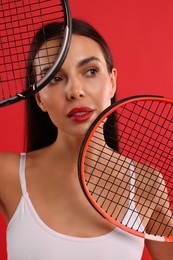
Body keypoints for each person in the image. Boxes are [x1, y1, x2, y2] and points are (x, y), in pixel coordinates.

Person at [0, 18, 172, 260]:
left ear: (112, 82)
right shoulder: (6, 173)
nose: (75, 91)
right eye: (55, 78)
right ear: (38, 97)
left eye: (90, 71)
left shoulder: (146, 184)